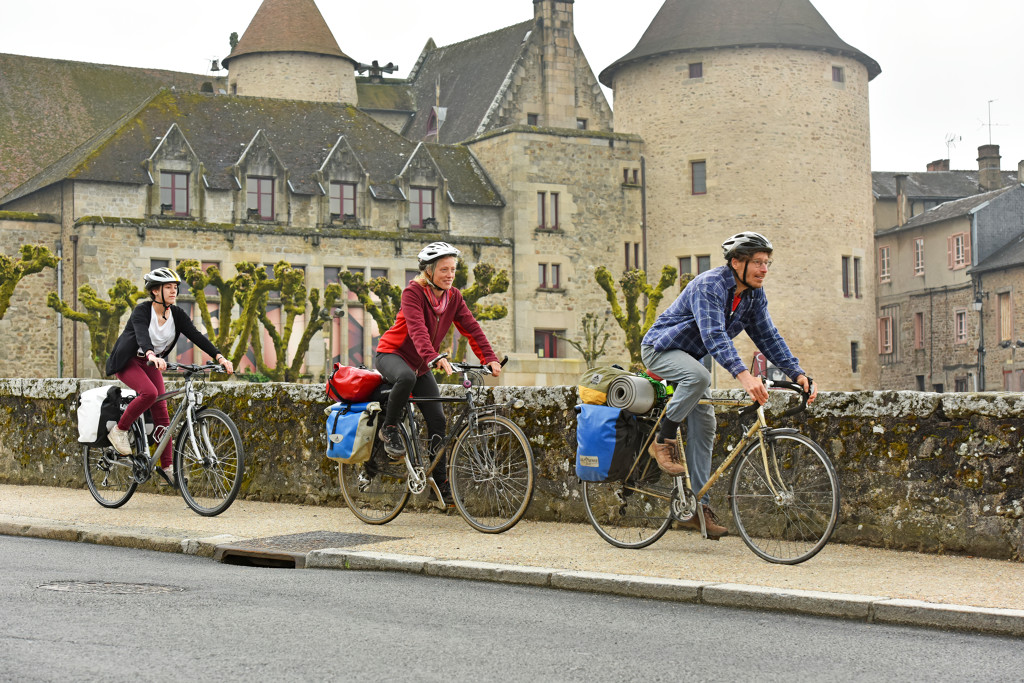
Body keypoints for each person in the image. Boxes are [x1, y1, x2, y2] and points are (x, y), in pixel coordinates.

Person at [640, 231, 816, 539]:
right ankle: (662, 439)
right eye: (757, 262)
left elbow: (768, 336)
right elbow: (714, 336)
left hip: (691, 359)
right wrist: (744, 375)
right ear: (736, 262)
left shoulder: (753, 295)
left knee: (705, 424)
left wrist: (797, 373)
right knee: (700, 377)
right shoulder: (710, 285)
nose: (764, 269)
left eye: (767, 263)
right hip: (660, 350)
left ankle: (696, 507)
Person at [374, 242, 502, 505]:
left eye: (453, 269)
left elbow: (471, 327)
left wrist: (489, 358)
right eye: (444, 269)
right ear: (429, 271)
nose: (450, 275)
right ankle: (389, 428)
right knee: (406, 377)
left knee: (438, 419)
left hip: (421, 363)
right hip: (392, 355)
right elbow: (417, 329)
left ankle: (440, 483)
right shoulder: (413, 292)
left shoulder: (453, 297)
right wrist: (433, 356)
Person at [105, 267, 234, 486]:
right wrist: (150, 354)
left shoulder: (177, 314)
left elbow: (196, 335)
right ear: (155, 291)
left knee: (162, 411)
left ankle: (167, 467)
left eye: (175, 287)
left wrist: (220, 357)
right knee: (149, 393)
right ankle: (119, 430)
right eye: (168, 287)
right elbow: (142, 335)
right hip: (129, 361)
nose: (174, 291)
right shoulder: (142, 311)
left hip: (151, 362)